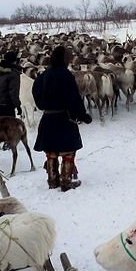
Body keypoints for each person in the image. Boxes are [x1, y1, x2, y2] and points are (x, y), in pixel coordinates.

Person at [32, 45, 92, 191]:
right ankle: (66, 181)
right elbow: (74, 99)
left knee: (51, 151)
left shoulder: (43, 76)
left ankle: (52, 180)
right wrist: (83, 115)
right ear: (64, 59)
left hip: (48, 118)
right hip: (64, 119)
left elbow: (36, 93)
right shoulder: (66, 76)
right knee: (68, 151)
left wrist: (44, 106)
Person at [0, 51, 22, 150]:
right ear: (15, 61)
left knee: (0, 122)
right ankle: (9, 143)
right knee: (11, 125)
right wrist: (18, 105)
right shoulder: (13, 74)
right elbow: (13, 92)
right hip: (5, 103)